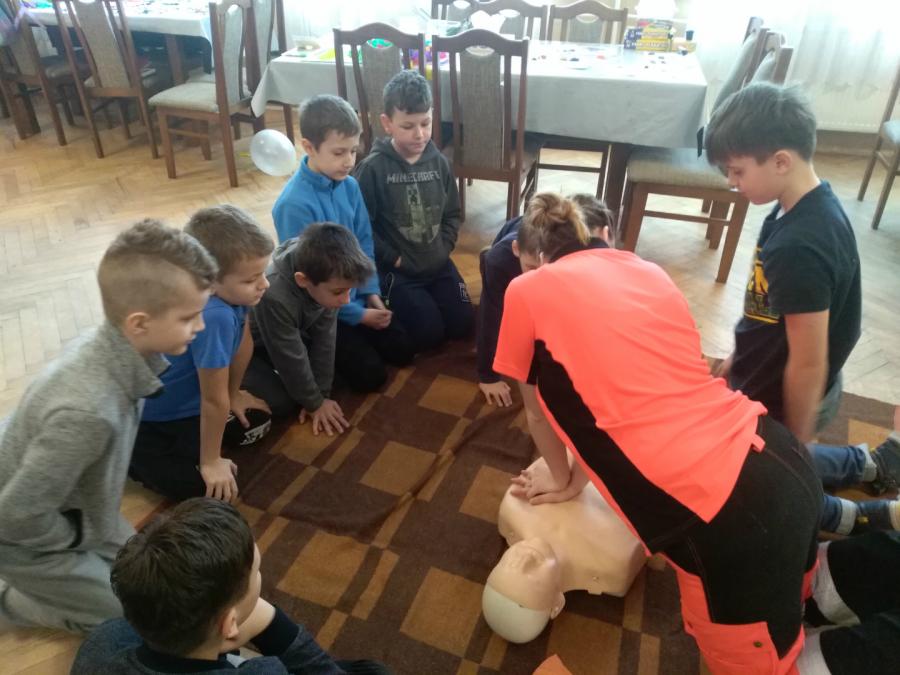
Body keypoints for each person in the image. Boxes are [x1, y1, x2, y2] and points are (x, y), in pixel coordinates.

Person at [492, 192, 899, 673]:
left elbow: (539, 414)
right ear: (601, 236)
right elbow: (615, 401)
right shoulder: (647, 270)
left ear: (537, 256)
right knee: (795, 588)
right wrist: (579, 475)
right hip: (780, 454)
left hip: (732, 523)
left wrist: (562, 478)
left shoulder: (528, 290)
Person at [0, 220, 216, 633]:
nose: (201, 326)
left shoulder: (122, 353)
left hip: (80, 511)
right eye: (190, 317)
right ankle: (12, 601)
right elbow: (15, 517)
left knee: (152, 580)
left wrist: (94, 527)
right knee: (129, 619)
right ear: (139, 323)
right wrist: (79, 536)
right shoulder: (88, 412)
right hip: (21, 537)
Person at [704, 82, 900, 536]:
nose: (731, 182)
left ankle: (854, 517)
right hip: (768, 374)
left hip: (788, 391)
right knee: (769, 457)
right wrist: (737, 357)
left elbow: (808, 361)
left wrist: (797, 435)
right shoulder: (800, 206)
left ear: (780, 161)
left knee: (770, 480)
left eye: (737, 171)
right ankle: (873, 466)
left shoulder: (800, 246)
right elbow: (767, 308)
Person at [71, 498, 391, 674]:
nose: (260, 578)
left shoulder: (104, 641)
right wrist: (270, 621)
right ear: (229, 624)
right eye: (257, 572)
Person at [130, 206, 275, 504]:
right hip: (149, 419)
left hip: (189, 403)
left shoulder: (234, 295)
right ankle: (126, 453)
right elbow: (212, 399)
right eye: (252, 280)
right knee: (206, 492)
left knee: (256, 423)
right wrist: (210, 461)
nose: (265, 284)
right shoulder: (214, 314)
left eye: (262, 274)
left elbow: (243, 340)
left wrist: (234, 394)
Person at [272, 94, 414, 393]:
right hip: (322, 310)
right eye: (339, 153)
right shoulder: (293, 205)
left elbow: (364, 243)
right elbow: (311, 284)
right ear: (309, 147)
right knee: (371, 376)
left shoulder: (349, 185)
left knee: (404, 348)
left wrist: (372, 294)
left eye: (353, 150)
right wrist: (359, 316)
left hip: (354, 294)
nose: (349, 161)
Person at [354, 69, 474, 352]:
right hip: (400, 272)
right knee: (429, 335)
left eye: (426, 123)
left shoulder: (440, 163)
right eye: (408, 126)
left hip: (439, 263)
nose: (419, 134)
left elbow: (452, 214)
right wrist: (393, 259)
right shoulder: (372, 169)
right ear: (387, 123)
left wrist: (444, 247)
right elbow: (362, 228)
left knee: (464, 324)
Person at [477, 194, 614, 407]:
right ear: (516, 250)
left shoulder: (570, 252)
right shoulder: (500, 261)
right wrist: (488, 377)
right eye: (532, 267)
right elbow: (490, 317)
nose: (539, 273)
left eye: (546, 266)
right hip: (500, 260)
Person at [249, 223, 374, 437]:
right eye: (339, 292)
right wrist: (314, 403)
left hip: (294, 331)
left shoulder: (327, 274)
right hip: (252, 348)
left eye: (349, 291)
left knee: (357, 374)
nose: (346, 300)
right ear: (303, 280)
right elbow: (288, 355)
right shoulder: (274, 295)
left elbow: (325, 339)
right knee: (282, 403)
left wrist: (322, 394)